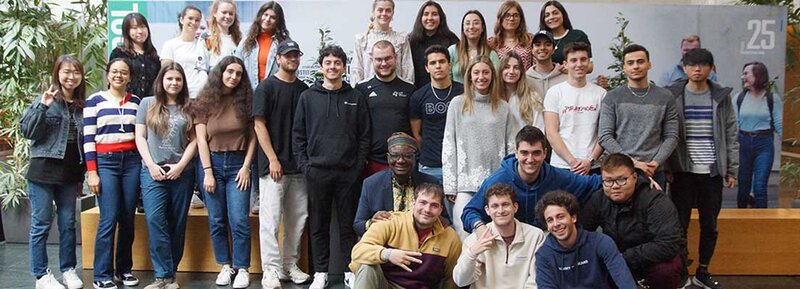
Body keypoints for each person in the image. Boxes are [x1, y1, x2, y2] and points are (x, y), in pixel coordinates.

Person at [292, 45, 370, 289]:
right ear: (321, 67)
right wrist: (306, 166)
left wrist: (357, 166)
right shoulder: (308, 97)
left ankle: (350, 270)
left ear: (344, 67)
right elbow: (298, 136)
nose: (333, 67)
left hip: (349, 173)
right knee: (318, 225)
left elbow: (365, 135)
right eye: (328, 63)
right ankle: (321, 272)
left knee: (348, 225)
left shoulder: (356, 97)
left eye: (337, 63)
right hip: (317, 172)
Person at [666, 48, 738, 289]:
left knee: (710, 225)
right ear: (684, 68)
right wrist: (668, 166)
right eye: (692, 65)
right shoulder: (672, 95)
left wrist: (731, 169)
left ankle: (703, 272)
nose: (697, 69)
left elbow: (730, 132)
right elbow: (666, 133)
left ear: (711, 68)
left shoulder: (721, 96)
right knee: (679, 225)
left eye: (703, 64)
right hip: (682, 171)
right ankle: (683, 272)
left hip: (712, 172)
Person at [20, 55, 86, 289]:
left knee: (68, 223)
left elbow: (83, 143)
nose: (71, 76)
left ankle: (68, 269)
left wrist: (82, 174)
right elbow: (27, 131)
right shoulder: (46, 99)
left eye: (76, 72)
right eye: (66, 72)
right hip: (43, 170)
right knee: (42, 223)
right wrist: (42, 105)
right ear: (57, 73)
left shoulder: (82, 105)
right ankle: (41, 275)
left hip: (69, 172)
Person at [461, 125, 601, 234]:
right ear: (516, 153)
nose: (530, 159)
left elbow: (593, 183)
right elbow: (469, 212)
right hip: (506, 239)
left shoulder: (556, 176)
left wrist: (618, 181)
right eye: (524, 153)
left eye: (536, 153)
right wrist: (480, 228)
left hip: (543, 238)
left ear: (545, 153)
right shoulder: (498, 180)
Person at [251, 40, 311, 288]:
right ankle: (271, 270)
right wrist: (273, 158)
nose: (292, 59)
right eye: (288, 55)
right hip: (273, 167)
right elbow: (258, 124)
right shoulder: (266, 88)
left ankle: (289, 265)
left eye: (296, 55)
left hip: (298, 167)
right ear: (278, 58)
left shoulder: (304, 89)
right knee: (271, 220)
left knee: (297, 219)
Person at [192, 56, 256, 289]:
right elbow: (200, 139)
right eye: (230, 72)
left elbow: (253, 137)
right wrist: (208, 172)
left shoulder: (246, 101)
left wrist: (247, 166)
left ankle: (242, 268)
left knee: (239, 220)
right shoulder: (204, 101)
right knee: (217, 220)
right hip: (212, 165)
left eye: (238, 74)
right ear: (220, 72)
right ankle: (225, 265)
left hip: (239, 165)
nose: (233, 77)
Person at [134, 63, 196, 289]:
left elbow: (194, 140)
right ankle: (162, 275)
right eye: (169, 78)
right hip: (153, 172)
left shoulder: (189, 107)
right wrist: (150, 165)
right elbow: (140, 137)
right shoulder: (147, 103)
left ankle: (171, 276)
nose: (174, 83)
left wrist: (180, 165)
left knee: (177, 223)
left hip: (182, 173)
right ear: (161, 80)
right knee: (155, 220)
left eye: (178, 79)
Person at [581, 153, 683, 289]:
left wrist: (624, 257)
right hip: (616, 256)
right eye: (609, 181)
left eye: (621, 179)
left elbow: (668, 243)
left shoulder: (656, 200)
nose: (615, 186)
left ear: (634, 178)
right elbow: (582, 233)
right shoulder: (598, 198)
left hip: (651, 257)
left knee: (666, 270)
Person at [443, 56, 517, 239]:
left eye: (485, 72)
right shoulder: (457, 104)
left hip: (496, 183)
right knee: (464, 232)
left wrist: (511, 180)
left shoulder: (503, 107)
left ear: (492, 75)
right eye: (476, 72)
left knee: (496, 236)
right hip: (465, 183)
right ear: (469, 76)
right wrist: (451, 185)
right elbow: (449, 144)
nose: (481, 77)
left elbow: (512, 147)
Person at [84, 58, 142, 289]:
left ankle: (124, 270)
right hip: (105, 162)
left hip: (131, 162)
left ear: (130, 77)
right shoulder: (94, 101)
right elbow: (88, 138)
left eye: (124, 72)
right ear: (108, 74)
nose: (119, 75)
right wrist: (92, 172)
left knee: (127, 218)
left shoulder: (136, 102)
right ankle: (101, 274)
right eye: (115, 72)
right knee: (108, 218)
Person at [350, 183, 461, 289]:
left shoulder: (451, 237)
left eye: (434, 205)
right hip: (385, 285)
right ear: (413, 203)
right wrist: (387, 254)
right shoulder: (390, 221)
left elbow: (452, 278)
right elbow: (358, 251)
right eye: (423, 202)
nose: (427, 210)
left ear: (441, 210)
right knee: (368, 267)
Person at [598, 44, 679, 188]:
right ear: (624, 67)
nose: (635, 66)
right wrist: (633, 163)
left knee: (654, 210)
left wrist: (655, 163)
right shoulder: (612, 97)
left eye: (640, 61)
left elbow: (671, 136)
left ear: (649, 64)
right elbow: (605, 136)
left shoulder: (665, 97)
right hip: (621, 171)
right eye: (630, 63)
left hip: (654, 169)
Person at [534, 191, 636, 289]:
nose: (556, 224)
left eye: (560, 217)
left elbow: (624, 279)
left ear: (573, 218)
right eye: (550, 220)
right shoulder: (544, 255)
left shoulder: (600, 242)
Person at [452, 183, 546, 289]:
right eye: (495, 206)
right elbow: (461, 281)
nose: (500, 211)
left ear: (515, 207)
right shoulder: (474, 240)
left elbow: (535, 280)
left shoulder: (535, 236)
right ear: (487, 210)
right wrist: (472, 253)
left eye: (505, 204)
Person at [354, 132, 441, 236]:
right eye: (395, 156)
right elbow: (358, 225)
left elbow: (445, 221)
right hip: (385, 244)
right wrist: (372, 222)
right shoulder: (372, 184)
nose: (400, 161)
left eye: (407, 156)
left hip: (421, 243)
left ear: (414, 158)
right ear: (388, 158)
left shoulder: (430, 183)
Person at [543, 42, 605, 175]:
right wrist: (572, 162)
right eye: (573, 60)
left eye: (583, 59)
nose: (579, 64)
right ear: (565, 64)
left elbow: (604, 133)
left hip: (593, 166)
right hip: (562, 166)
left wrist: (590, 160)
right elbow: (551, 132)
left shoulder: (601, 94)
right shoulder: (554, 92)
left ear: (589, 62)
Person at [356, 40, 416, 176]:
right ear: (371, 60)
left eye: (387, 58)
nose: (383, 64)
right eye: (379, 59)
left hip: (403, 162)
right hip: (371, 162)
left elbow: (415, 128)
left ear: (395, 58)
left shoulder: (409, 88)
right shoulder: (362, 89)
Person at [409, 45, 465, 184]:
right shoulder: (418, 96)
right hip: (430, 165)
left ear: (449, 65)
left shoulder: (464, 92)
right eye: (433, 63)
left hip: (461, 164)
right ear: (427, 68)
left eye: (442, 61)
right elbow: (416, 135)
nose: (438, 66)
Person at [735, 61, 782, 208]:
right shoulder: (738, 98)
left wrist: (787, 144)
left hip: (764, 143)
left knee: (760, 187)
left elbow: (779, 123)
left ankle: (762, 222)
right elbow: (734, 125)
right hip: (743, 142)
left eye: (746, 73)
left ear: (758, 75)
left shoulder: (771, 98)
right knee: (743, 187)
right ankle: (740, 220)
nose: (743, 77)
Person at [351, 0, 414, 85]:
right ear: (373, 13)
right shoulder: (362, 40)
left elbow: (408, 69)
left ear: (392, 13)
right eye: (380, 10)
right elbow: (357, 70)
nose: (384, 13)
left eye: (388, 10)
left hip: (398, 93)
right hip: (368, 93)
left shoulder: (401, 39)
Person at [237, 1, 289, 89]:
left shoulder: (283, 43)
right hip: (249, 94)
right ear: (260, 15)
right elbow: (236, 64)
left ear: (278, 21)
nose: (267, 19)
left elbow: (291, 70)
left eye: (273, 17)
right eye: (265, 15)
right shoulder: (247, 41)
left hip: (274, 93)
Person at [160, 5, 209, 99]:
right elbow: (166, 73)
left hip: (200, 97)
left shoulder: (203, 46)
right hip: (179, 97)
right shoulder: (170, 45)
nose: (193, 22)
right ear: (182, 20)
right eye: (190, 18)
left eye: (197, 20)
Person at [407, 0, 459, 89]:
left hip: (446, 90)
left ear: (441, 18)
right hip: (418, 91)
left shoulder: (451, 39)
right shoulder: (411, 40)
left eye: (434, 14)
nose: (430, 18)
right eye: (426, 14)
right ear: (420, 18)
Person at [110, 13, 160, 99]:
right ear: (127, 31)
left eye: (142, 27)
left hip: (150, 104)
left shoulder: (153, 55)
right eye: (134, 28)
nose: (140, 31)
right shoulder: (119, 53)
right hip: (126, 103)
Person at [449, 10, 500, 84]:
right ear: (463, 28)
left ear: (482, 28)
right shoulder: (452, 51)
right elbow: (446, 78)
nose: (471, 27)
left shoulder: (491, 54)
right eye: (467, 23)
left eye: (476, 23)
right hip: (456, 94)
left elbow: (496, 80)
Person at [500, 51, 544, 130]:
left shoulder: (532, 98)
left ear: (521, 72)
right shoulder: (493, 97)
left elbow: (539, 129)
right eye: (507, 67)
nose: (511, 71)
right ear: (501, 70)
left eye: (516, 68)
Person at [538, 1, 591, 66]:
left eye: (555, 13)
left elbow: (590, 66)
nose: (551, 17)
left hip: (572, 76)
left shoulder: (578, 36)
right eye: (547, 15)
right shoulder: (540, 40)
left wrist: (570, 68)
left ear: (563, 14)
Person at [488, 0, 534, 70]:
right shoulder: (491, 43)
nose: (511, 18)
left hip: (527, 80)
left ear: (520, 19)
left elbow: (538, 65)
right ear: (501, 18)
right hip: (500, 80)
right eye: (507, 15)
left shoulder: (530, 39)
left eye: (515, 15)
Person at [524, 30, 567, 102]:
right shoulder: (525, 80)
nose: (542, 48)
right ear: (532, 50)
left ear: (553, 49)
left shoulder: (566, 77)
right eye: (537, 45)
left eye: (547, 44)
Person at [205, 0, 242, 67]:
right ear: (215, 13)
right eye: (224, 12)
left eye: (231, 14)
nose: (227, 16)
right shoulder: (206, 38)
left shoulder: (239, 39)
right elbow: (202, 68)